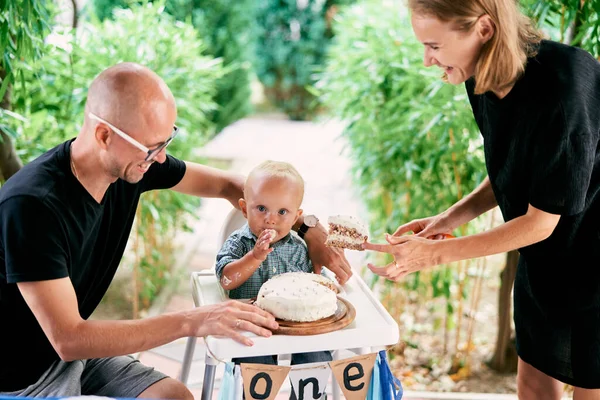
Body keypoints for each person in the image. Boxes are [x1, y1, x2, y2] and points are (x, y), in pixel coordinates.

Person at [0, 62, 352, 398]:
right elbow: (69, 338)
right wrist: (192, 321)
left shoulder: (134, 163)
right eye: (153, 148)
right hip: (23, 379)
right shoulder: (32, 206)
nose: (161, 158)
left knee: (176, 396)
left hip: (73, 360)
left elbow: (234, 187)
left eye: (166, 142)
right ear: (104, 135)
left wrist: (307, 228)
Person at [363, 1, 600, 399]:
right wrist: (447, 220)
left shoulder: (564, 91)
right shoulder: (481, 79)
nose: (427, 60)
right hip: (543, 258)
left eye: (434, 46)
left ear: (484, 30)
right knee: (534, 384)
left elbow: (543, 220)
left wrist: (434, 255)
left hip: (591, 260)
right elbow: (515, 170)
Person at [215, 160, 333, 372]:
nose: (270, 219)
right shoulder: (238, 243)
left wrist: (327, 284)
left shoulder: (299, 248)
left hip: (296, 323)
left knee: (317, 355)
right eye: (261, 208)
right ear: (244, 209)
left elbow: (317, 282)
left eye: (282, 212)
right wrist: (254, 256)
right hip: (253, 326)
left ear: (296, 216)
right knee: (259, 366)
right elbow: (226, 280)